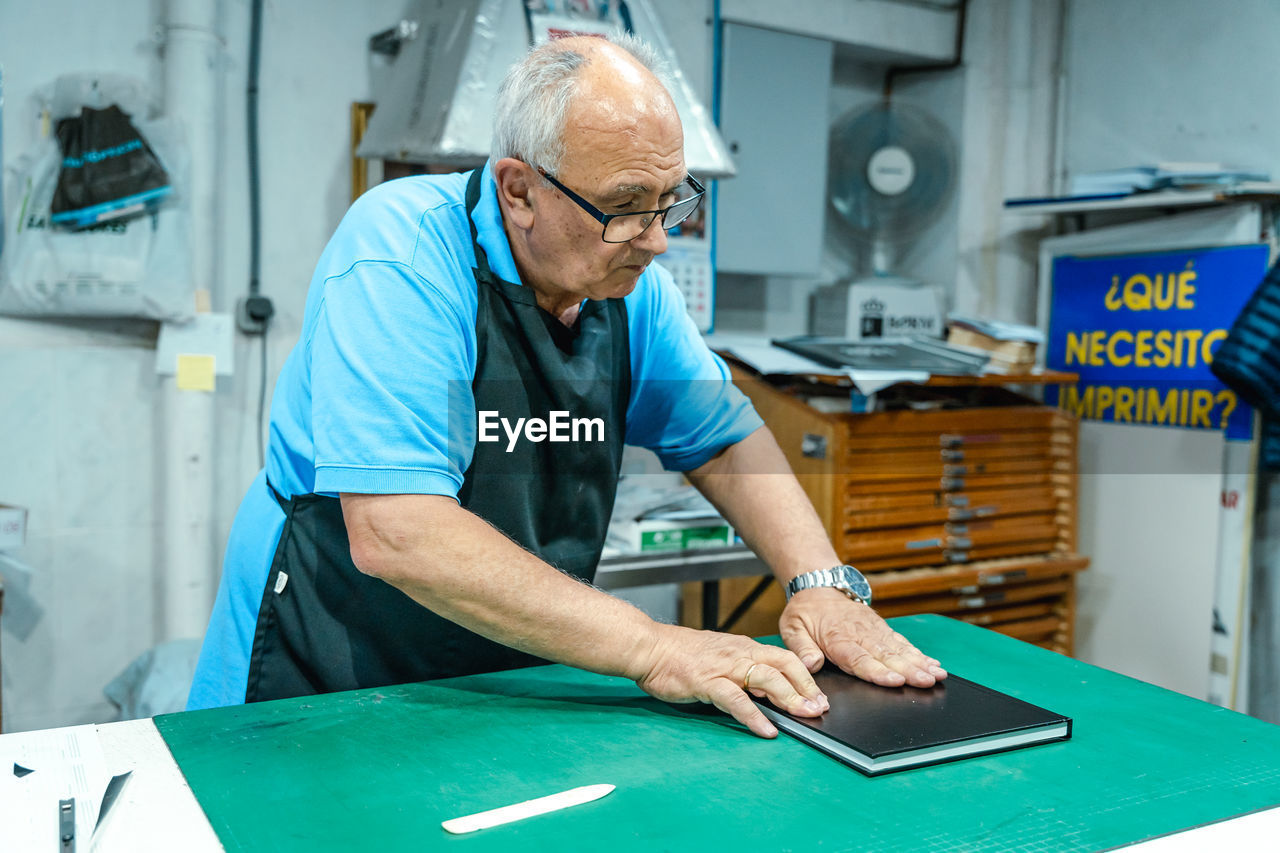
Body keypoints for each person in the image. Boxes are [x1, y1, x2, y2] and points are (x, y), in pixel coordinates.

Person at [187, 33, 946, 738]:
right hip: (333, 657)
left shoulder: (630, 286)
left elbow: (721, 435)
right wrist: (654, 646)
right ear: (518, 190)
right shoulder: (405, 254)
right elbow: (398, 532)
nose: (657, 238)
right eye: (623, 207)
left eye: (671, 199)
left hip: (509, 662)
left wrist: (820, 584)